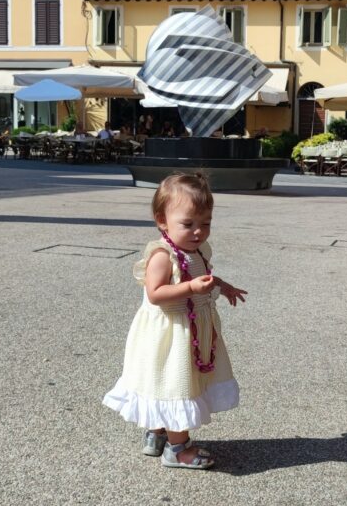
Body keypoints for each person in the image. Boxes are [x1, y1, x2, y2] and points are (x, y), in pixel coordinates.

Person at [103, 173, 247, 470]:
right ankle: (177, 449)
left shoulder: (197, 251)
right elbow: (155, 294)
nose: (198, 232)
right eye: (188, 224)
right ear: (162, 220)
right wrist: (190, 289)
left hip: (191, 330)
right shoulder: (162, 256)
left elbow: (202, 276)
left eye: (205, 223)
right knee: (174, 385)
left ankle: (156, 434)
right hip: (170, 335)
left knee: (166, 383)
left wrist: (223, 285)